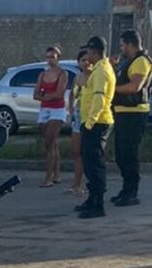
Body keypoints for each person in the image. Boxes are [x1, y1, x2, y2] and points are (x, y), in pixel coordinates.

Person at [111, 30, 152, 207]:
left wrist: (111, 90)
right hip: (122, 111)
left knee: (129, 154)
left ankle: (132, 192)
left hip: (134, 113)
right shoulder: (127, 62)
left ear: (130, 44)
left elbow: (134, 86)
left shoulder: (141, 62)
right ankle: (125, 189)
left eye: (122, 45)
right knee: (121, 155)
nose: (121, 49)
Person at [74, 36, 115, 219]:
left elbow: (99, 99)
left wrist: (90, 122)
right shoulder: (97, 69)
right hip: (91, 122)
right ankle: (92, 199)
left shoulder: (102, 71)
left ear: (95, 51)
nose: (87, 55)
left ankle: (98, 204)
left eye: (89, 51)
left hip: (97, 123)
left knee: (95, 164)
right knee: (89, 163)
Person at [34, 45, 69, 188]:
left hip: (57, 110)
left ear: (58, 58)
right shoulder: (42, 74)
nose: (50, 60)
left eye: (52, 57)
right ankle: (57, 174)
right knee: (51, 143)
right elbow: (35, 94)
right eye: (48, 57)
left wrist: (45, 96)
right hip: (44, 110)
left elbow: (59, 94)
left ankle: (48, 177)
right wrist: (47, 96)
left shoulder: (63, 73)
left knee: (49, 142)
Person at [68, 50, 91, 196]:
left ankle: (90, 185)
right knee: (76, 152)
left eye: (88, 60)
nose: (86, 63)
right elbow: (72, 94)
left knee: (88, 152)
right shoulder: (77, 77)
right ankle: (76, 184)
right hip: (78, 114)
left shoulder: (95, 77)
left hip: (89, 115)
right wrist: (71, 109)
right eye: (83, 60)